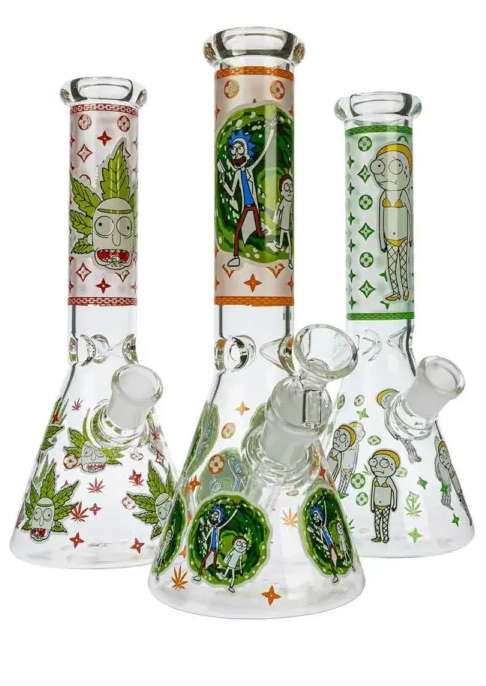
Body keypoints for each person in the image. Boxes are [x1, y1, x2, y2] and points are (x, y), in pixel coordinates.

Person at [219, 116, 278, 267]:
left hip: (254, 207)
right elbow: (231, 192)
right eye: (234, 151)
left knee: (259, 232)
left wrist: (272, 130)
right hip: (246, 208)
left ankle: (266, 237)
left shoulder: (250, 169)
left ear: (245, 152)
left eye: (239, 150)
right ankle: (236, 257)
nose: (236, 154)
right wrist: (224, 182)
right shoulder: (238, 174)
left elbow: (264, 152)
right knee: (239, 231)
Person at [370, 143, 413, 301]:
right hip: (389, 238)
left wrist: (411, 236)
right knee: (391, 266)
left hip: (403, 237)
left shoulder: (404, 195)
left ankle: (405, 291)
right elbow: (381, 220)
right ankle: (395, 291)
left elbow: (409, 215)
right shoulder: (383, 196)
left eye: (395, 167)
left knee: (404, 265)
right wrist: (382, 241)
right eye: (380, 167)